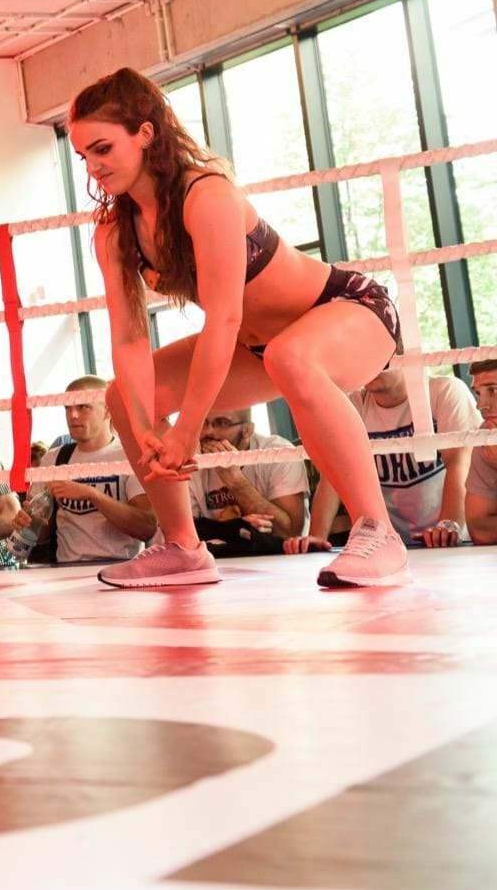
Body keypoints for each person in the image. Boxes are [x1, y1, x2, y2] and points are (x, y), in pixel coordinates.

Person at [69, 67, 408, 589]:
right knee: (124, 395)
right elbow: (130, 338)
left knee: (290, 358)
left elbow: (223, 318)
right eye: (83, 156)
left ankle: (379, 532)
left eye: (103, 149)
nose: (92, 168)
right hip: (260, 346)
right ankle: (182, 546)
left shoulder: (207, 196)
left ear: (145, 133)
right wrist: (143, 431)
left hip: (350, 309)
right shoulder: (115, 231)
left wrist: (187, 432)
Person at [287, 366, 479, 554]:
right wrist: (317, 536)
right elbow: (333, 477)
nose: (371, 365)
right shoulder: (354, 404)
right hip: (390, 548)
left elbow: (460, 463)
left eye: (381, 359)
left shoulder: (443, 391)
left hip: (457, 542)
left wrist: (447, 526)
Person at [25, 378, 155, 565]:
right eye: (67, 408)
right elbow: (40, 535)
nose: (73, 415)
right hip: (66, 570)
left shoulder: (130, 455)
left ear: (107, 411)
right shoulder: (54, 458)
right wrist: (29, 522)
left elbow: (147, 527)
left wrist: (92, 495)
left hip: (121, 569)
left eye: (83, 407)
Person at [186, 407, 307, 545]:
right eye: (204, 422)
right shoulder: (192, 457)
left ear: (247, 430)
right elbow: (183, 532)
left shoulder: (280, 452)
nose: (208, 432)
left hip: (278, 557)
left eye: (222, 423)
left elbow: (290, 532)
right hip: (218, 558)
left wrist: (235, 481)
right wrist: (237, 527)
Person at [466, 360, 497, 545]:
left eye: (494, 390)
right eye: (478, 393)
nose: (481, 405)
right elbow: (479, 529)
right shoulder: (488, 434)